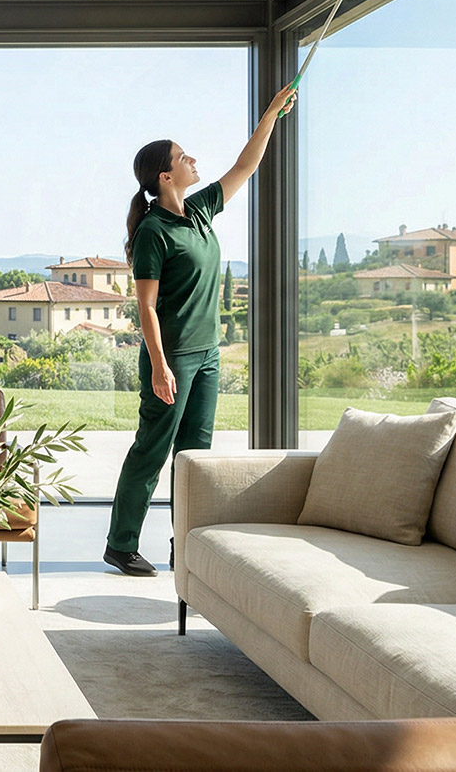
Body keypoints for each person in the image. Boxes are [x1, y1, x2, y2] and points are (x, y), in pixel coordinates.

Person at [103, 85, 298, 576]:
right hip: (172, 357)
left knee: (195, 456)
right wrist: (161, 367)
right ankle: (121, 544)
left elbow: (245, 166)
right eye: (183, 157)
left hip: (207, 353)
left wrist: (271, 113)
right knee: (152, 448)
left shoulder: (201, 210)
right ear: (166, 176)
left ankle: (183, 546)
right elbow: (145, 306)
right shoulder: (154, 232)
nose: (194, 160)